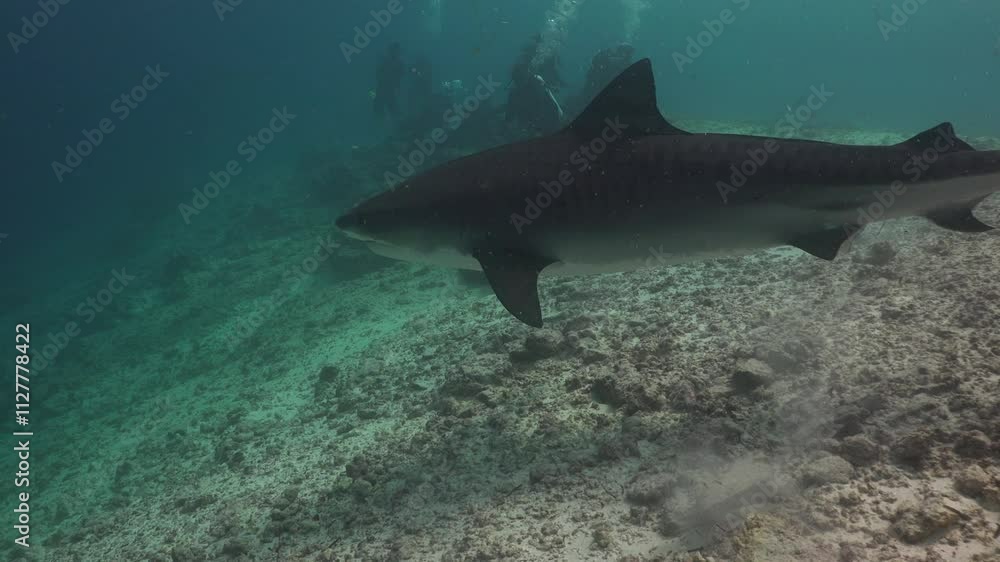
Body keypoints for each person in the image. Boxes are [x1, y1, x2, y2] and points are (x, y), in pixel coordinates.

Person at [373, 42, 405, 123]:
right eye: (393, 50)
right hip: (383, 88)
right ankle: (380, 123)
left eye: (396, 51)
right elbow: (378, 74)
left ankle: (396, 124)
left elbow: (400, 76)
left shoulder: (399, 63)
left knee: (393, 109)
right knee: (379, 109)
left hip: (391, 89)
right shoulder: (385, 61)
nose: (395, 53)